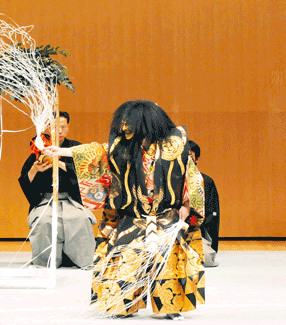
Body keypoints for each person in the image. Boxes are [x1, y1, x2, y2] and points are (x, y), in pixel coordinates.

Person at [44, 100, 205, 320]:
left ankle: (170, 305)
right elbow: (98, 151)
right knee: (125, 259)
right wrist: (62, 151)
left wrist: (187, 204)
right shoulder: (123, 147)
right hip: (134, 215)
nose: (125, 127)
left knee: (168, 260)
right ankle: (122, 304)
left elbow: (192, 176)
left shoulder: (175, 145)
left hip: (167, 214)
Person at [18, 111, 96, 268]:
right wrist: (34, 169)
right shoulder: (39, 149)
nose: (59, 131)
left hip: (70, 200)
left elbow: (85, 173)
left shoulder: (75, 148)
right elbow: (25, 180)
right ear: (48, 128)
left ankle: (81, 260)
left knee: (79, 220)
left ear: (67, 128)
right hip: (46, 200)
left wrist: (59, 163)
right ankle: (46, 262)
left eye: (63, 127)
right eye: (55, 127)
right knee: (44, 221)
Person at [189, 140, 220, 267]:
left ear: (197, 159)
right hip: (174, 232)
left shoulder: (206, 182)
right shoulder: (171, 181)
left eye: (190, 157)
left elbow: (212, 214)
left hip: (197, 230)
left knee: (205, 259)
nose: (186, 160)